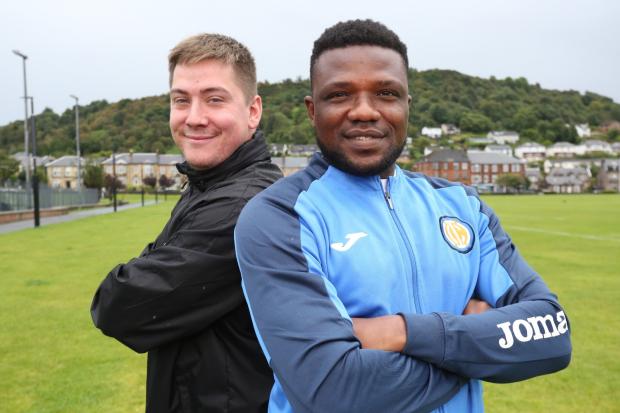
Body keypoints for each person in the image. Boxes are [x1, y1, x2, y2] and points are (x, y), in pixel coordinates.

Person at [234, 19, 571, 413]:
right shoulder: (278, 217)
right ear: (313, 110)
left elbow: (552, 334)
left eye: (386, 93)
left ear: (406, 105)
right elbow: (332, 390)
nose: (364, 111)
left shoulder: (463, 206)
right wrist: (479, 348)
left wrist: (402, 332)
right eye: (340, 94)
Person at [91, 33, 281, 413]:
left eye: (215, 99)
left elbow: (117, 306)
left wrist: (149, 258)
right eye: (181, 100)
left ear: (253, 111)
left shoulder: (243, 204)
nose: (194, 118)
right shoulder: (211, 184)